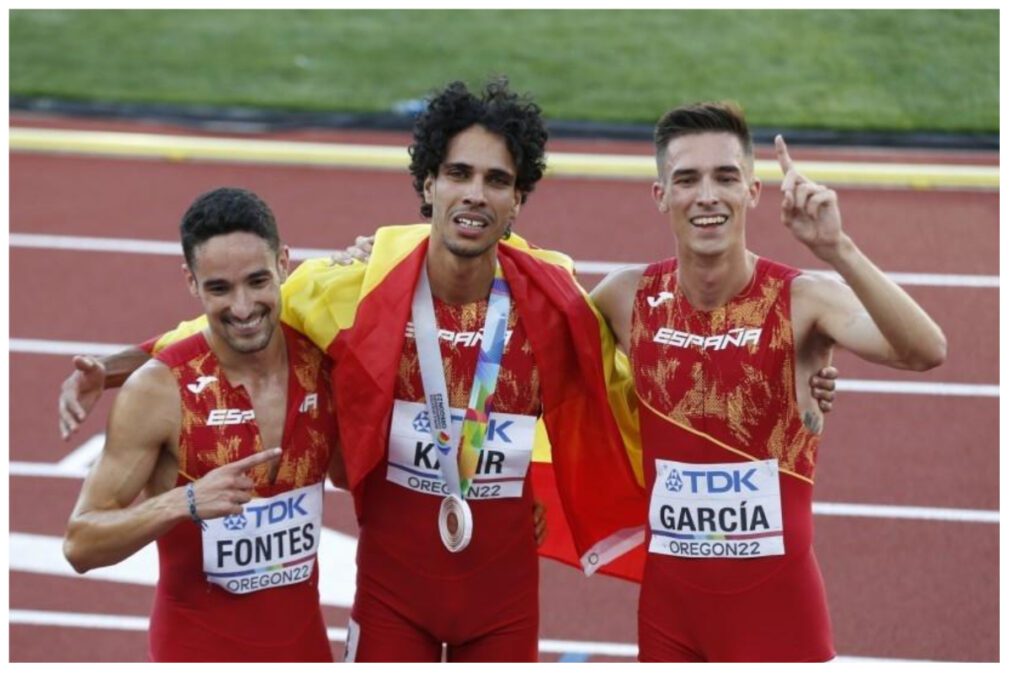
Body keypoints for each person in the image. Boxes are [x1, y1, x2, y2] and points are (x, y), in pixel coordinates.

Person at [588, 102, 947, 662]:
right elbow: (546, 374)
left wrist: (836, 248)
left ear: (753, 191)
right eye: (687, 179)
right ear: (661, 195)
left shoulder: (803, 301)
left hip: (778, 612)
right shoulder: (623, 298)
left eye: (726, 177)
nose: (707, 195)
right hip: (668, 615)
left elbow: (926, 351)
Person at [62, 187, 345, 662]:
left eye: (257, 281)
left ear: (285, 264)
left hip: (305, 652)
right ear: (191, 284)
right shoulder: (158, 391)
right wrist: (185, 501)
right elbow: (81, 543)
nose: (242, 307)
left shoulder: (323, 363)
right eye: (218, 288)